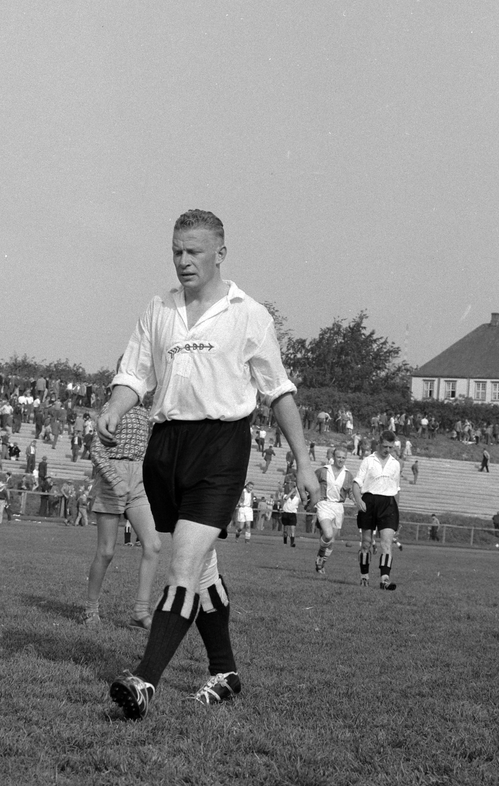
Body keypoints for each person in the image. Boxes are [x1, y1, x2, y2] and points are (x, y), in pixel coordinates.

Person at [99, 210, 316, 719]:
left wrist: (304, 461)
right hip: (166, 447)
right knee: (201, 570)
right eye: (176, 250)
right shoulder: (159, 309)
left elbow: (278, 392)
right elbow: (134, 372)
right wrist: (114, 406)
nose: (183, 261)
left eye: (194, 251)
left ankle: (145, 680)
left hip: (221, 446)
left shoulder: (248, 314)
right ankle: (225, 671)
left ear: (220, 253)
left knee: (182, 565)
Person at [84, 402, 160, 629]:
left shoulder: (146, 413)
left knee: (153, 545)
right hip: (112, 479)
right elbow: (96, 450)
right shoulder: (111, 408)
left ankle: (140, 612)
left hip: (139, 479)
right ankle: (90, 610)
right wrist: (114, 480)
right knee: (106, 552)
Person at [355, 431, 402, 590]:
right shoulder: (368, 461)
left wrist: (397, 514)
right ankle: (364, 576)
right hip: (369, 502)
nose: (387, 450)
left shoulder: (395, 464)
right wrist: (359, 500)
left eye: (391, 447)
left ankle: (385, 579)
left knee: (387, 543)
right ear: (379, 444)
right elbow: (357, 484)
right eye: (385, 446)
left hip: (388, 504)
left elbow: (396, 490)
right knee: (366, 543)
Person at [311, 445, 354, 575]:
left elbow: (350, 492)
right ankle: (320, 555)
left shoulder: (348, 475)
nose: (341, 460)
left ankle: (321, 564)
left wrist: (357, 500)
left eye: (343, 458)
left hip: (338, 507)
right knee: (328, 534)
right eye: (338, 457)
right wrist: (310, 497)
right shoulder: (323, 470)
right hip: (324, 504)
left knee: (331, 541)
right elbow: (311, 482)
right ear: (333, 457)